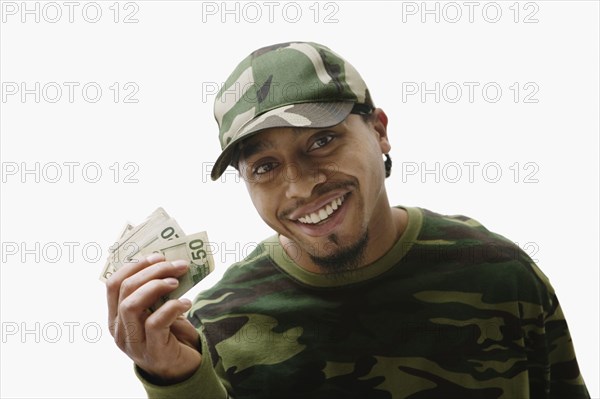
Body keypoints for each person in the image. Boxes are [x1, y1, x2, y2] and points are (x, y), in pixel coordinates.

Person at [106, 41, 590, 398]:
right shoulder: (214, 326)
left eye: (321, 141)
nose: (298, 187)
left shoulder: (501, 276)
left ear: (379, 131)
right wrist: (175, 381)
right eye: (265, 167)